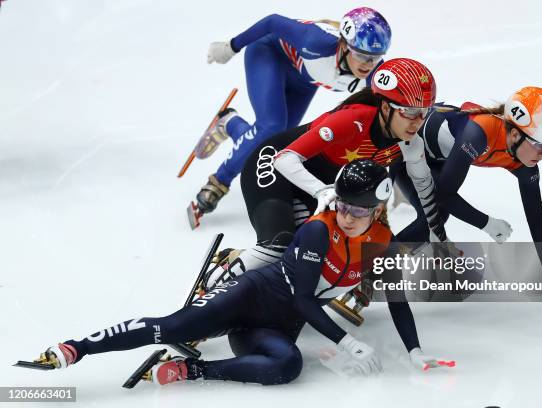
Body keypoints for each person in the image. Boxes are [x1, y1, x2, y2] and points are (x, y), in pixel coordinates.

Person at [26, 161, 452, 385]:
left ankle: (195, 373)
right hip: (250, 296)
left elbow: (394, 296)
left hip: (276, 326)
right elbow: (304, 298)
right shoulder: (319, 231)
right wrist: (348, 342)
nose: (346, 215)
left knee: (287, 367)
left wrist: (414, 351)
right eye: (341, 204)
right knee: (174, 326)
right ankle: (74, 349)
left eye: (358, 210)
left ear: (379, 210)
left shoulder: (380, 235)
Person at [207, 58, 449, 287]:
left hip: (312, 187)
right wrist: (320, 190)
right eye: (409, 111)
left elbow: (426, 193)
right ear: (386, 107)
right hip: (274, 165)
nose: (418, 121)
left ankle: (239, 260)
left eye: (424, 112)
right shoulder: (353, 120)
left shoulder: (411, 144)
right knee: (277, 245)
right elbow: (284, 160)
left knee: (318, 247)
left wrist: (439, 237)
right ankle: (209, 288)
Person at [193, 7, 392, 214]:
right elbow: (272, 21)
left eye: (375, 57)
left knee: (275, 142)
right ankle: (218, 182)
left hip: (305, 81)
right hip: (269, 53)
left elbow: (384, 121)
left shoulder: (377, 74)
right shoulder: (316, 41)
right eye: (361, 55)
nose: (368, 64)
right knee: (271, 126)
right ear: (343, 44)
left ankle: (231, 124)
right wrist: (231, 46)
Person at [391, 87, 542, 297]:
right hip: (402, 148)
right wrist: (486, 223)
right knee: (434, 215)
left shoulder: (524, 159)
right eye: (541, 145)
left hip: (435, 159)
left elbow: (536, 216)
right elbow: (444, 195)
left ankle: (419, 249)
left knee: (437, 216)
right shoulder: (478, 133)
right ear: (515, 134)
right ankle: (371, 270)